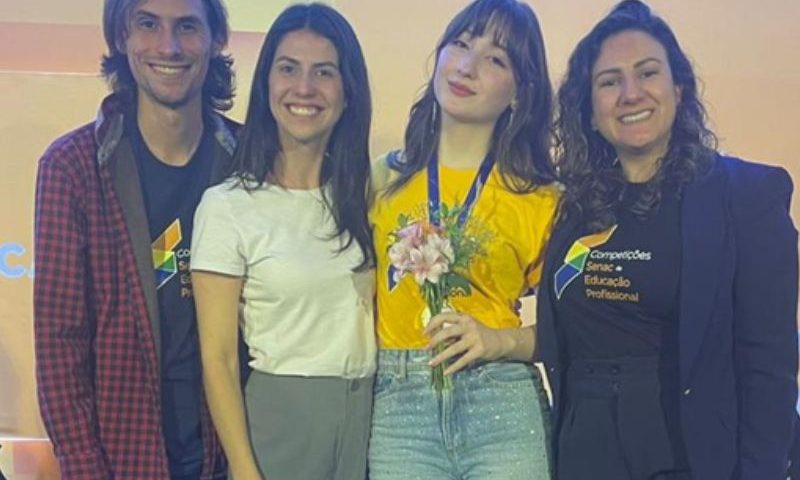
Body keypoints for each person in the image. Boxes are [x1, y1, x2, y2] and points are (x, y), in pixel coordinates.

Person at [537, 1, 799, 479]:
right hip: (582, 453)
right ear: (589, 112)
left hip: (686, 453)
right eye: (609, 81)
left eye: (647, 73)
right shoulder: (574, 208)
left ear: (679, 89)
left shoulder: (746, 197)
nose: (630, 93)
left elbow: (769, 364)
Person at [33, 0, 238, 478]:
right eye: (148, 24)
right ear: (121, 37)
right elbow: (60, 346)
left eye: (187, 26)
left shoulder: (251, 161)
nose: (168, 46)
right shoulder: (72, 168)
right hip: (123, 461)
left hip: (237, 457)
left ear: (215, 40)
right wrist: (85, 469)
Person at [368, 0, 558, 478]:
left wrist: (500, 341)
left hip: (502, 404)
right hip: (399, 408)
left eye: (496, 59)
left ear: (520, 92)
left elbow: (573, 329)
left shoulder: (543, 199)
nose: (467, 67)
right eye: (461, 44)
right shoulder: (381, 180)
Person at [190, 4, 375, 480]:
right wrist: (244, 467)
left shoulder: (370, 196)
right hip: (283, 425)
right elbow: (218, 358)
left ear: (349, 91)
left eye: (324, 72)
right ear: (266, 84)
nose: (304, 88)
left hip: (375, 420)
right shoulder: (228, 206)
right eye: (288, 69)